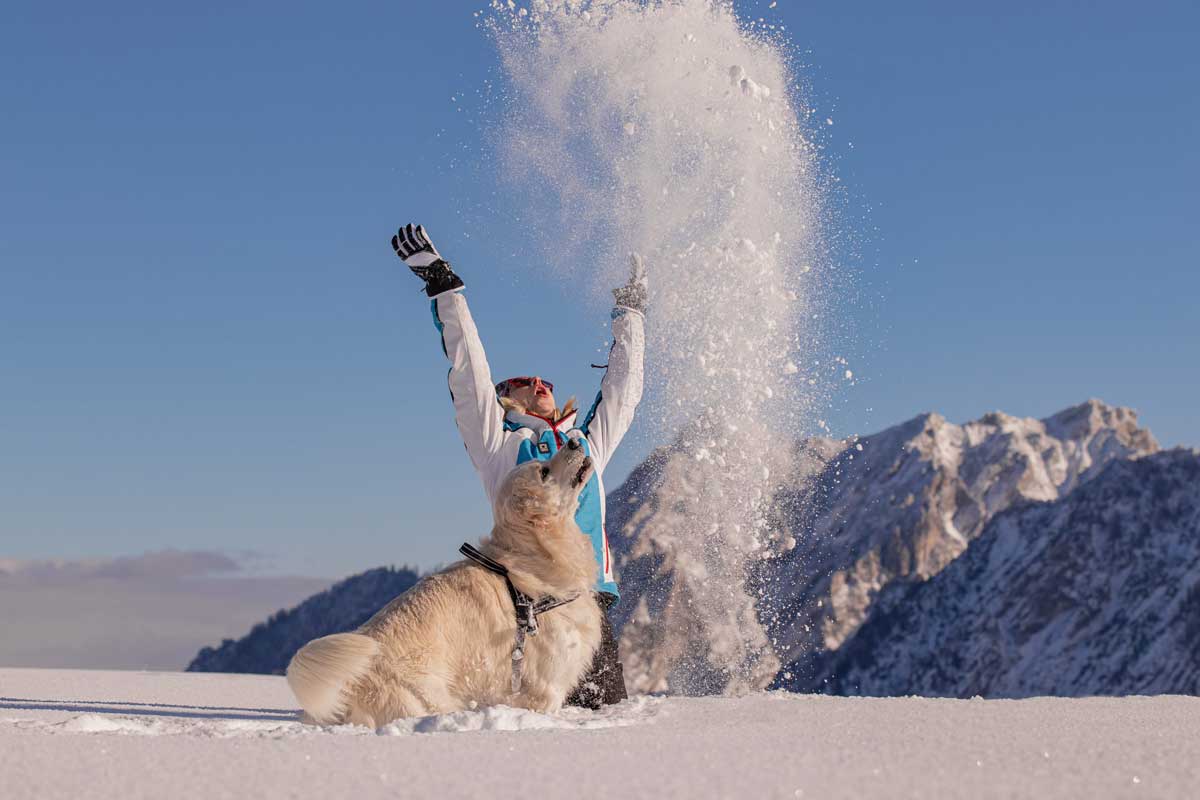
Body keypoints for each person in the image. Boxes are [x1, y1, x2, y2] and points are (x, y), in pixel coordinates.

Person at [391, 223, 646, 708]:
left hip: (589, 599)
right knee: (543, 723)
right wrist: (445, 288)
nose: (538, 382)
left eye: (544, 378)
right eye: (523, 381)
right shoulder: (500, 446)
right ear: (505, 399)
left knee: (604, 725)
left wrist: (631, 312)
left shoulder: (584, 444)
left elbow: (622, 394)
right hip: (535, 602)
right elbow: (470, 375)